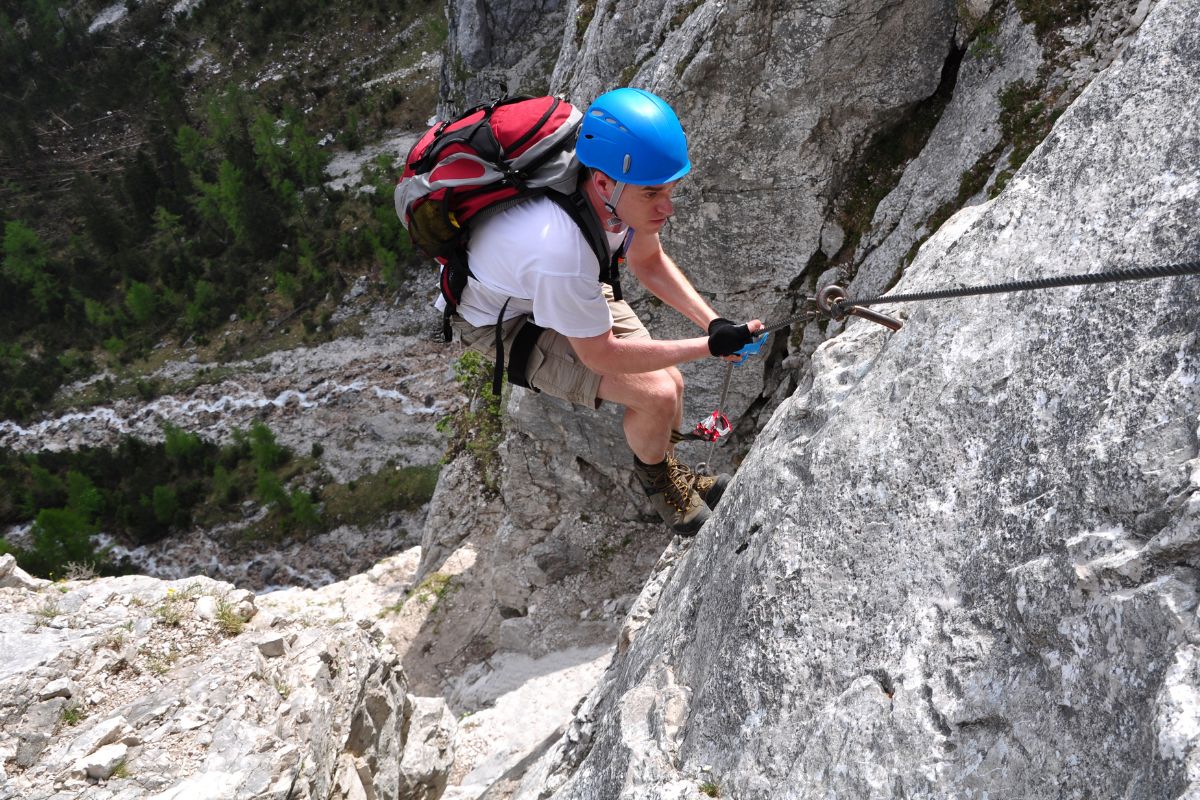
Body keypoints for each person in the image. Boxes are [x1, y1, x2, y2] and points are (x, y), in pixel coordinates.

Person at [448, 87, 763, 534]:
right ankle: (661, 485)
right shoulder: (561, 250)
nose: (667, 207)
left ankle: (666, 466)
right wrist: (709, 346)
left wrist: (713, 324)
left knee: (672, 381)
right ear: (602, 183)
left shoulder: (614, 188)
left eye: (670, 190)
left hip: (546, 285)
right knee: (656, 395)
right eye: (653, 193)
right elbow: (602, 356)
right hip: (504, 321)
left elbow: (648, 261)